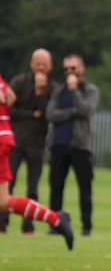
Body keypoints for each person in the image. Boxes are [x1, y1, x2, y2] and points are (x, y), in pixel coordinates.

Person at [0, 70, 74, 249]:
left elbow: (3, 97)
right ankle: (57, 220)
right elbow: (9, 97)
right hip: (5, 137)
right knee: (3, 201)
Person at [0, 49, 57, 234]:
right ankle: (3, 225)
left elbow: (47, 114)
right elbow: (10, 103)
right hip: (13, 139)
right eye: (37, 63)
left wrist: (40, 92)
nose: (40, 67)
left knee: (32, 187)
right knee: (6, 192)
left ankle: (28, 227)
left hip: (35, 142)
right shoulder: (19, 81)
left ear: (50, 67)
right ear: (31, 64)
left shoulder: (52, 88)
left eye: (44, 64)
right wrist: (31, 114)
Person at [46, 54, 99, 237]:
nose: (69, 72)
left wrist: (74, 91)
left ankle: (86, 227)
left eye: (73, 68)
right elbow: (50, 114)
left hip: (80, 146)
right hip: (59, 144)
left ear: (82, 69)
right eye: (66, 69)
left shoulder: (90, 90)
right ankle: (55, 225)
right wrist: (72, 112)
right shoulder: (59, 92)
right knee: (56, 188)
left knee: (85, 189)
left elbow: (85, 110)